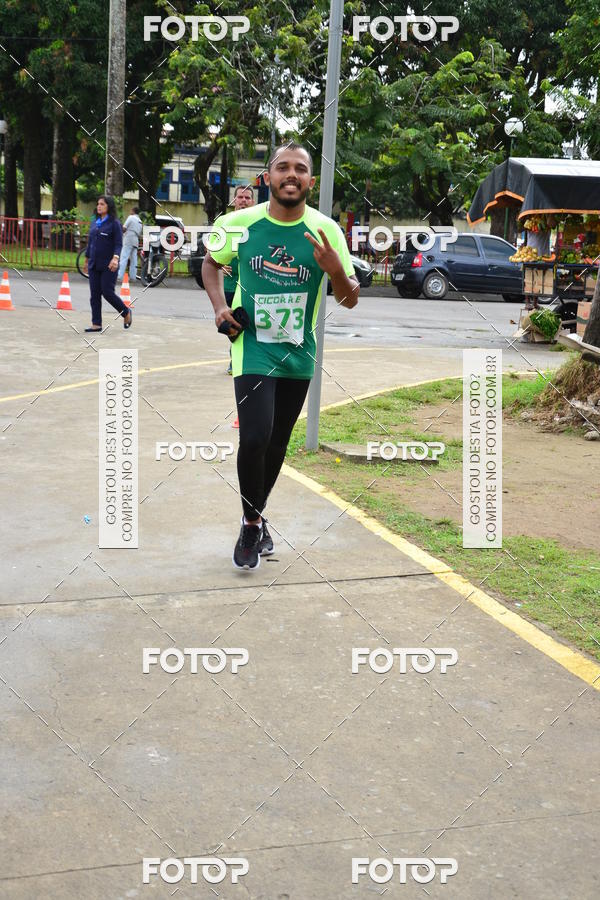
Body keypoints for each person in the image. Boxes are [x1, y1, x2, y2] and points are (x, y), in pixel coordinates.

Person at [203, 143, 359, 570]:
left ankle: (255, 517)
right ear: (267, 177)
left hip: (298, 353)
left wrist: (334, 271)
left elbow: (350, 300)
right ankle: (252, 523)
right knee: (254, 437)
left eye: (301, 169)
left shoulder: (327, 231)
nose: (292, 174)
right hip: (251, 345)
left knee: (275, 444)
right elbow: (211, 264)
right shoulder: (236, 223)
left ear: (311, 180)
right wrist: (219, 307)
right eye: (283, 167)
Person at [84, 195, 132, 332]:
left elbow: (118, 243)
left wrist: (115, 258)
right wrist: (87, 259)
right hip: (94, 264)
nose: (99, 206)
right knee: (94, 295)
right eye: (98, 204)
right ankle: (96, 324)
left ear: (108, 206)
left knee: (107, 292)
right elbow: (90, 243)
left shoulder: (114, 223)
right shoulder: (95, 222)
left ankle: (126, 312)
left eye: (102, 204)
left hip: (109, 265)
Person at [222, 185, 255, 375]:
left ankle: (241, 360)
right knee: (233, 323)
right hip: (229, 284)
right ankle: (235, 358)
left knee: (249, 323)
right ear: (234, 201)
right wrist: (219, 265)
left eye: (247, 198)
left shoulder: (257, 222)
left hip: (251, 282)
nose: (243, 200)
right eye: (240, 197)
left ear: (252, 201)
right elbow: (212, 249)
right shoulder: (225, 222)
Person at [118, 206, 143, 282]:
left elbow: (124, 228)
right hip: (136, 240)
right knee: (134, 259)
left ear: (133, 211)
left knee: (124, 257)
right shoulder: (140, 221)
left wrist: (119, 232)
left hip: (128, 238)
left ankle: (120, 276)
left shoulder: (131, 217)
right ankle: (133, 277)